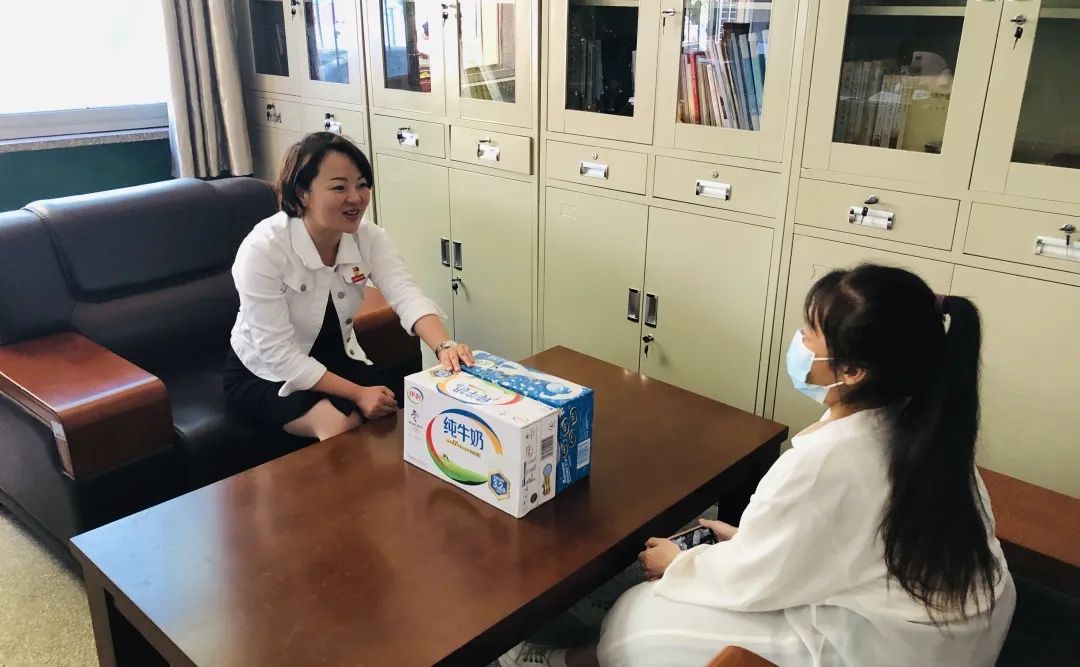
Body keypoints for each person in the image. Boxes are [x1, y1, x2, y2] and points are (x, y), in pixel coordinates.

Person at [505, 264, 1014, 667]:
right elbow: (849, 540)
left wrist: (679, 565)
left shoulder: (826, 462)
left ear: (854, 371)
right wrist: (748, 541)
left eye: (810, 335)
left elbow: (751, 582)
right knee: (700, 555)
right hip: (957, 625)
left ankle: (566, 661)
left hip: (890, 648)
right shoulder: (922, 423)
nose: (799, 343)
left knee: (638, 620)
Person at [225, 132, 473, 441]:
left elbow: (406, 294)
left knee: (401, 412)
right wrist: (358, 394)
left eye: (362, 184)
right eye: (339, 187)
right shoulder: (263, 249)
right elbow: (278, 354)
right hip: (266, 374)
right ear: (303, 193)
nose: (355, 197)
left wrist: (444, 346)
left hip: (337, 359)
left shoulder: (368, 237)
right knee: (341, 426)